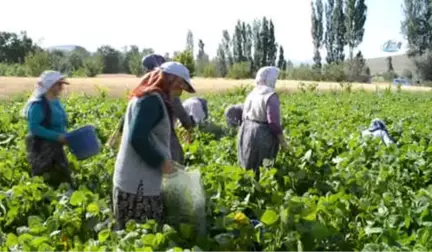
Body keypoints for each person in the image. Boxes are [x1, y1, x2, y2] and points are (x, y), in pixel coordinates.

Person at [112, 61, 196, 229]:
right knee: (143, 236)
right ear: (170, 80)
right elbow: (138, 138)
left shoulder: (146, 96)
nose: (180, 92)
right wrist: (161, 162)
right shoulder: (151, 101)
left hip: (131, 179)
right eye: (180, 86)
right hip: (139, 184)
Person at [107, 54, 194, 164]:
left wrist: (117, 134)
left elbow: (129, 116)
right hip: (160, 141)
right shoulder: (160, 91)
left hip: (145, 148)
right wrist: (190, 129)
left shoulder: (144, 86)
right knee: (171, 162)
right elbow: (181, 114)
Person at [22, 70, 75, 189]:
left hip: (56, 145)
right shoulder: (38, 104)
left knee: (64, 176)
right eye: (59, 84)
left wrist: (66, 135)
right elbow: (34, 128)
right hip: (41, 147)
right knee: (42, 180)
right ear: (50, 86)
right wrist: (58, 136)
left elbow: (60, 123)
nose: (62, 87)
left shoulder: (55, 101)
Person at [237, 66, 288, 179]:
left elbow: (244, 115)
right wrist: (283, 141)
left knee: (248, 163)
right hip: (262, 135)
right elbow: (273, 122)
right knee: (263, 167)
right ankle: (262, 192)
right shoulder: (270, 95)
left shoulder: (252, 94)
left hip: (246, 131)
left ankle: (248, 189)